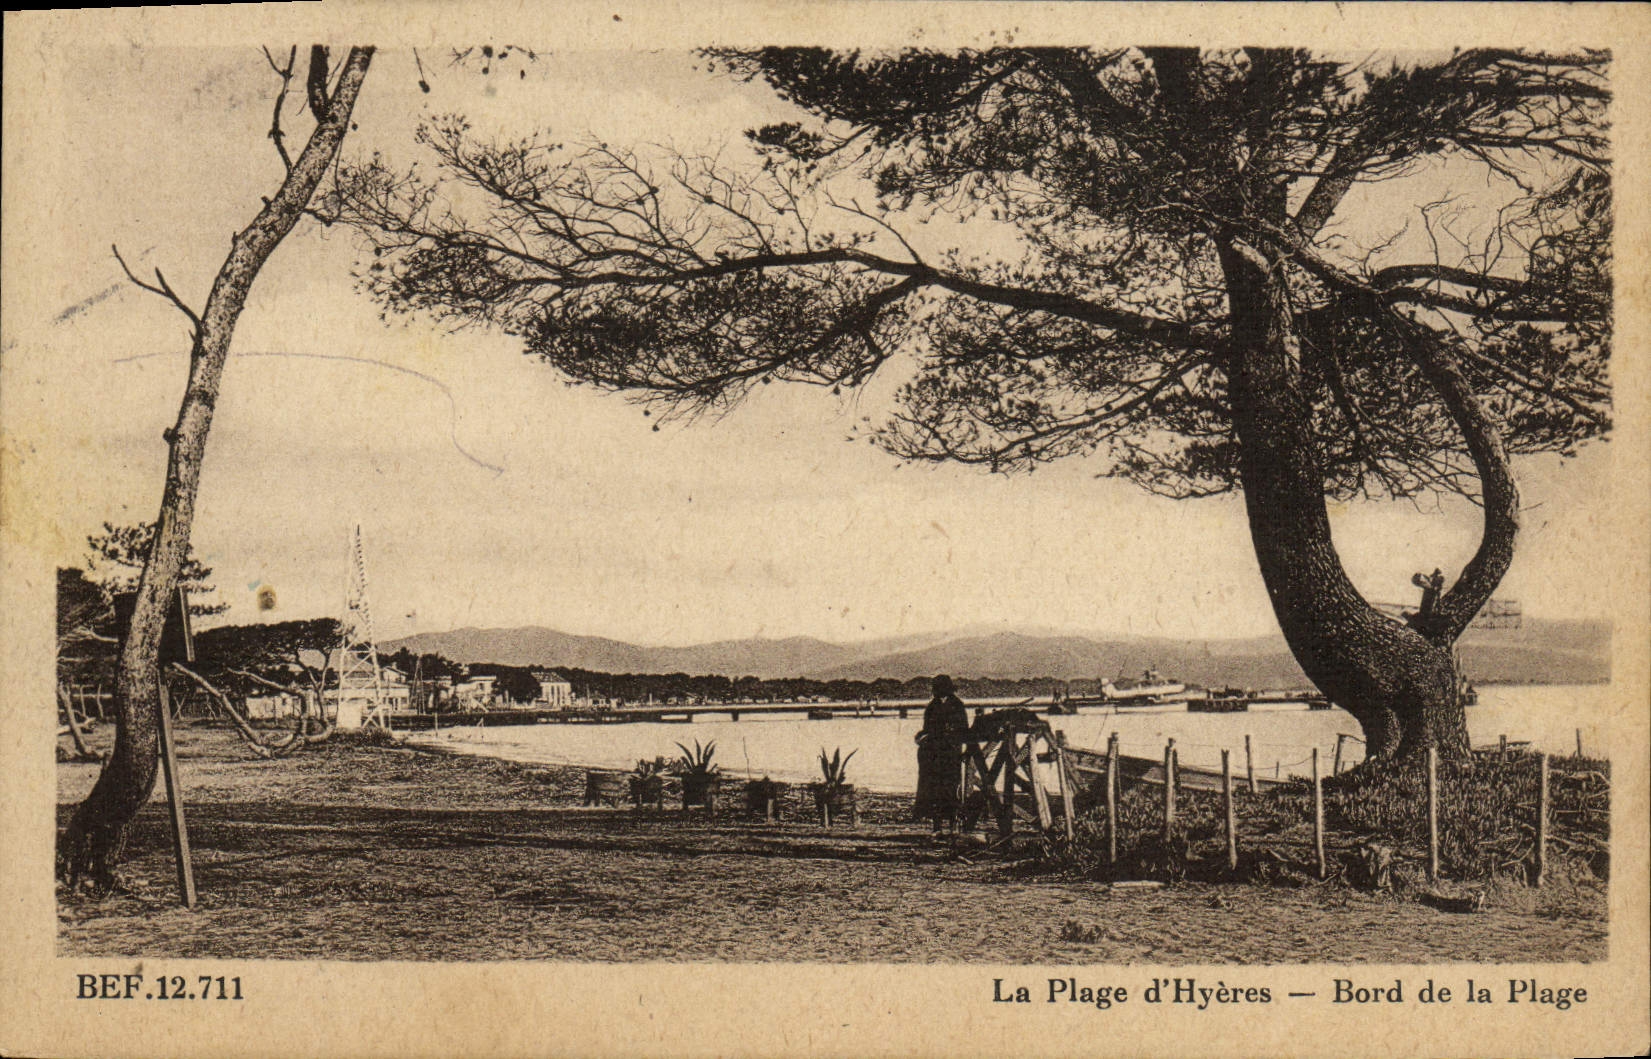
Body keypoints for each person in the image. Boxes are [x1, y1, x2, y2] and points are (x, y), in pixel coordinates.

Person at [914, 674, 969, 833]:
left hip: (951, 755)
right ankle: (936, 827)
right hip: (934, 756)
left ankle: (952, 825)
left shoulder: (957, 705)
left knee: (951, 789)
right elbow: (926, 729)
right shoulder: (932, 706)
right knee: (934, 791)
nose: (935, 692)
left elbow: (964, 730)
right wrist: (920, 737)